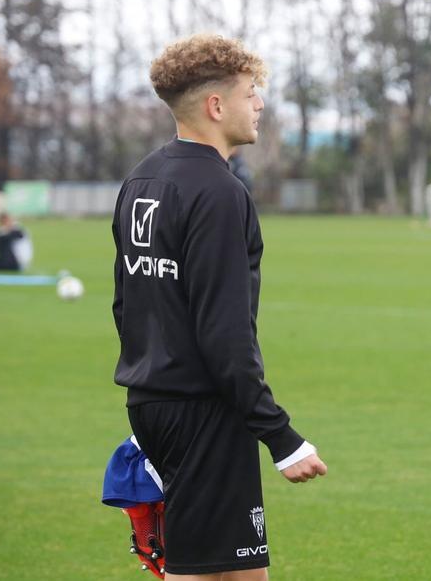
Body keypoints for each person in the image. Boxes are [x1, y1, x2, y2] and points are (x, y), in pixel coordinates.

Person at [113, 34, 327, 580]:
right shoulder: (218, 192)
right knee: (202, 572)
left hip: (156, 402)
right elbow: (225, 334)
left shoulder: (141, 179)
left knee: (240, 571)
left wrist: (153, 387)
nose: (259, 104)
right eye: (251, 92)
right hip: (203, 408)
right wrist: (280, 437)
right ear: (215, 106)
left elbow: (126, 304)